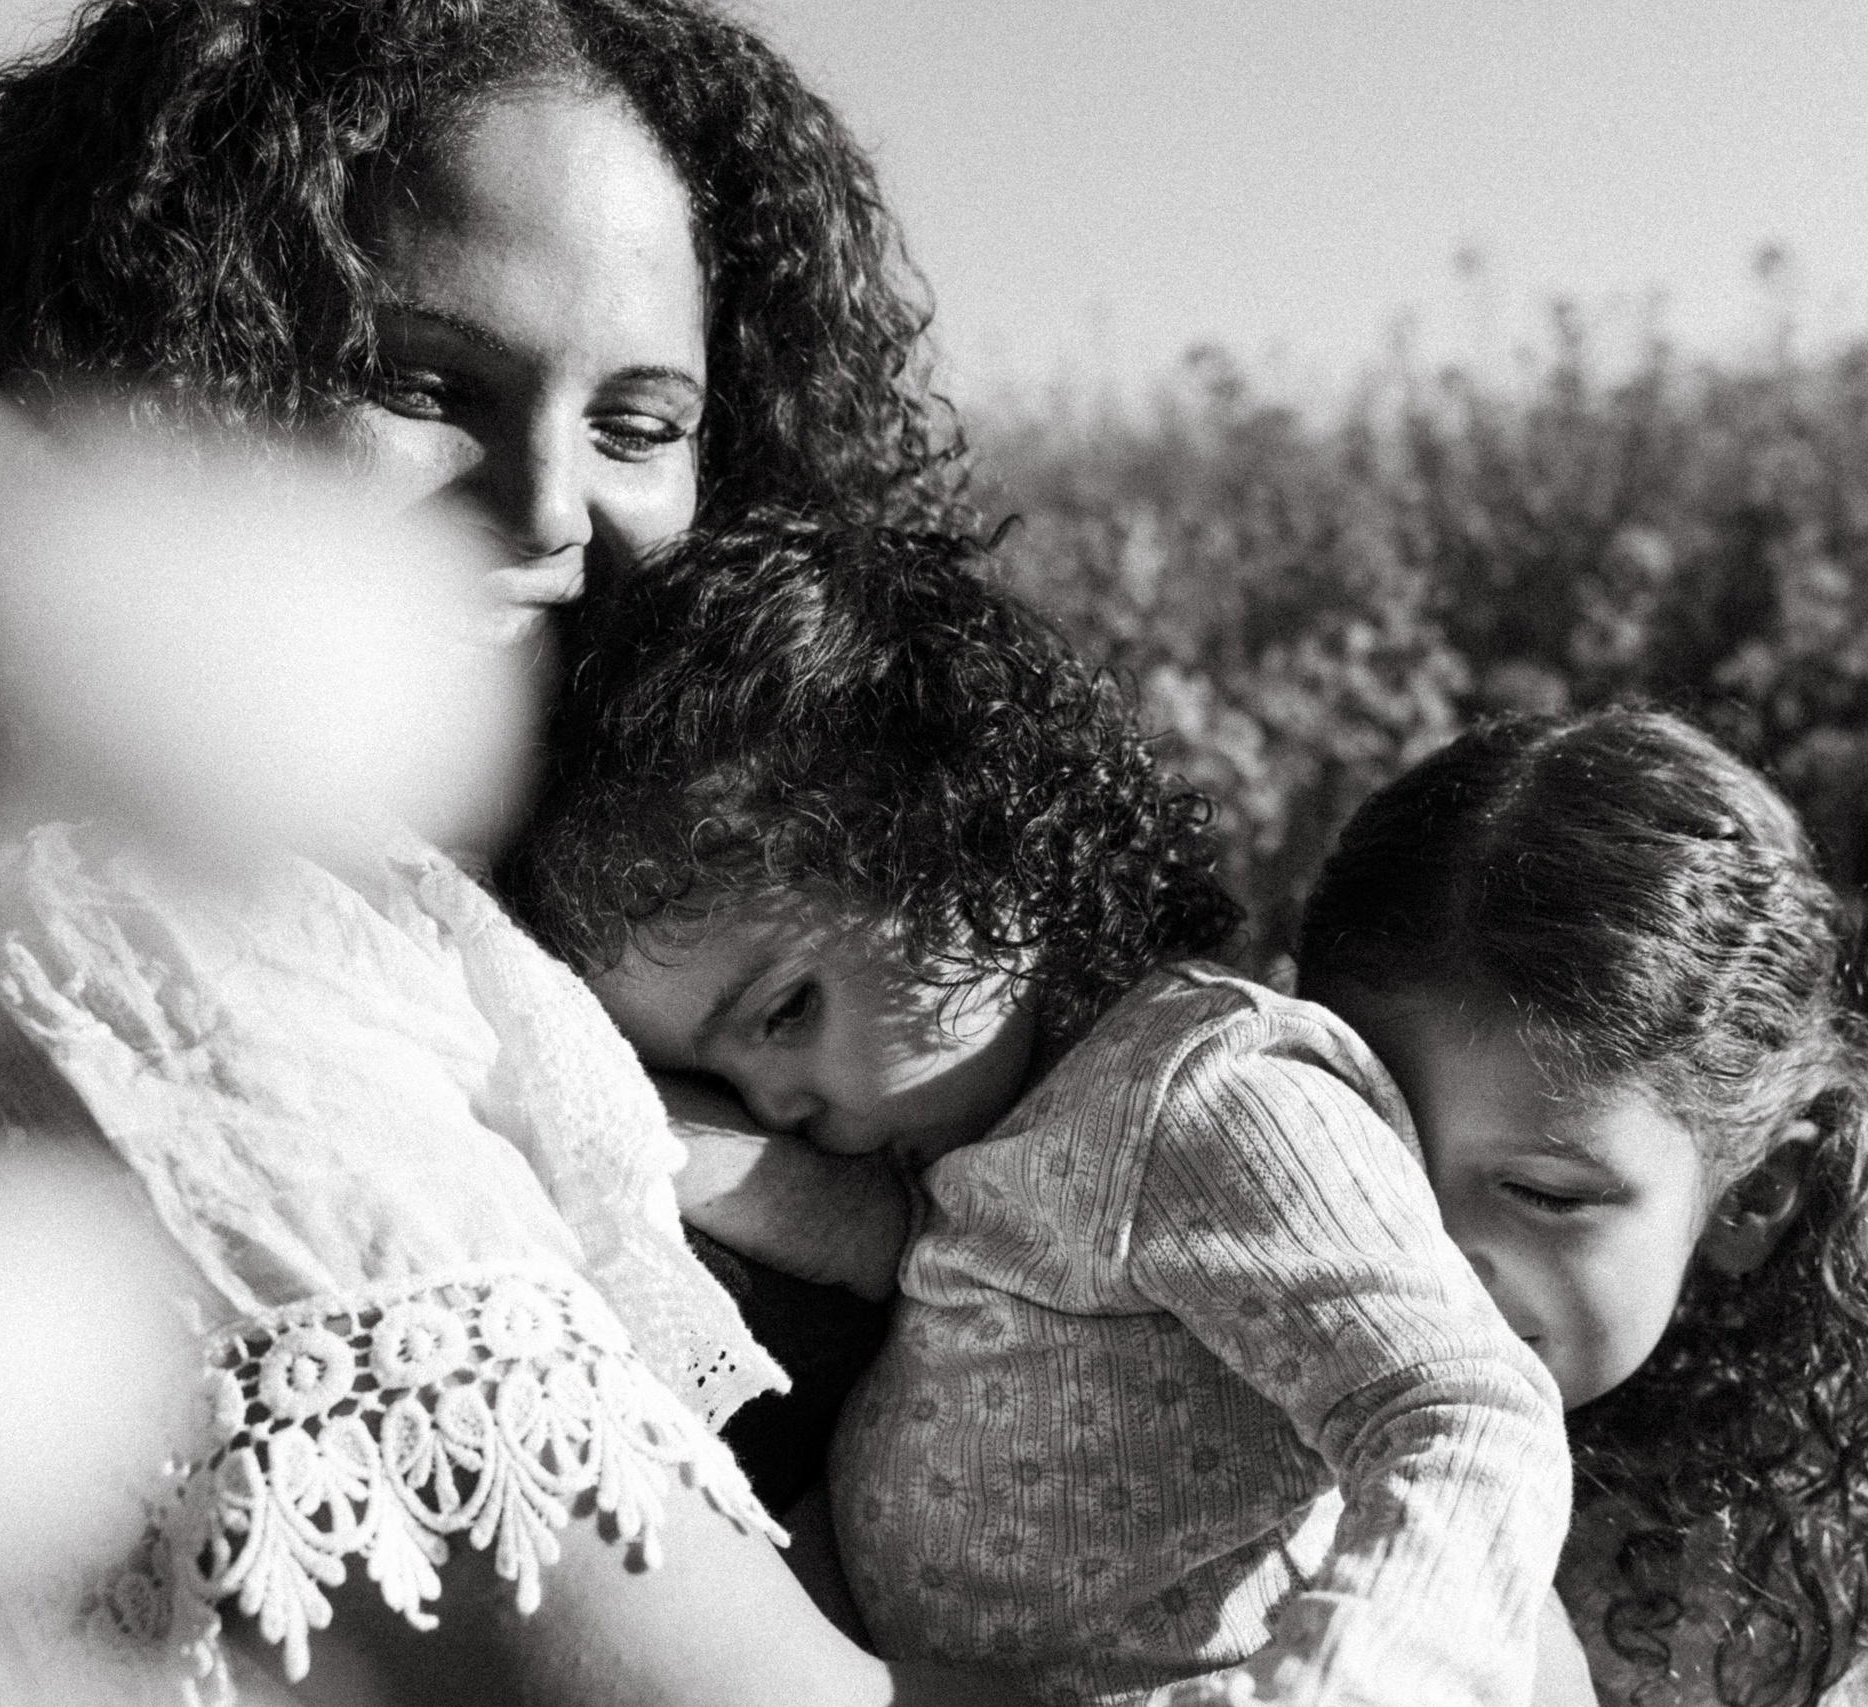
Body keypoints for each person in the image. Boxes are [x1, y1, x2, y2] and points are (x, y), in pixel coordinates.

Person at [0, 1, 1030, 1702]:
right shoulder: (139, 939)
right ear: (165, 388)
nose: (544, 505)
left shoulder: (577, 977)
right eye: (419, 381)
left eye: (642, 421)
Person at [500, 518, 1579, 1707]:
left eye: (788, 1009)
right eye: (728, 1077)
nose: (779, 1103)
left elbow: (1462, 1411)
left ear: (968, 844)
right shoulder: (991, 1138)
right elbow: (903, 1242)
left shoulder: (1206, 1095)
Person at [1297, 709, 1868, 1707]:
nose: (1427, 1252)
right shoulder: (1206, 1440)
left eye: (1543, 1195)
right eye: (1363, 1157)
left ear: (1753, 1195)